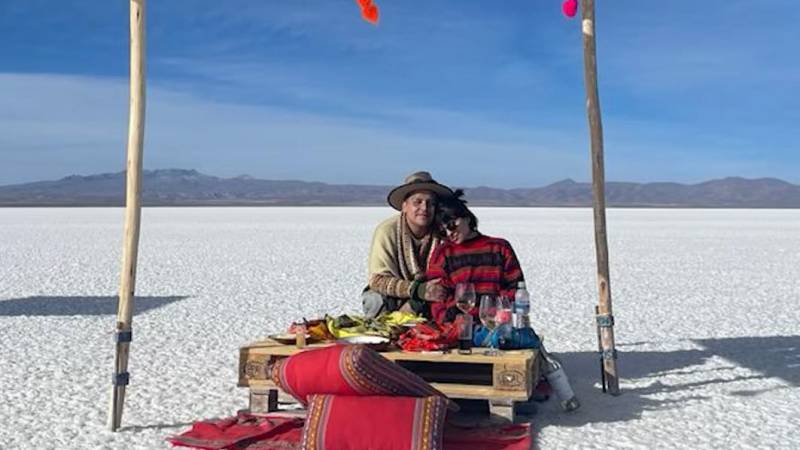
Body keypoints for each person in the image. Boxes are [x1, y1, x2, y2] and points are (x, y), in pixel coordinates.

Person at [362, 171, 454, 318]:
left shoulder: (444, 232)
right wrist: (417, 291)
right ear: (404, 206)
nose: (424, 208)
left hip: (432, 295)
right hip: (396, 296)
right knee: (375, 299)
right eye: (417, 202)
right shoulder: (387, 231)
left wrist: (421, 299)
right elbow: (377, 280)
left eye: (430, 203)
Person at [425, 189, 525, 325]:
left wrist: (496, 314)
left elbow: (516, 289)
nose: (449, 233)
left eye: (451, 225)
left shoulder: (499, 248)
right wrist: (447, 322)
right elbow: (436, 296)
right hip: (457, 328)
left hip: (494, 326)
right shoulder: (443, 253)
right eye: (443, 231)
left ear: (466, 217)